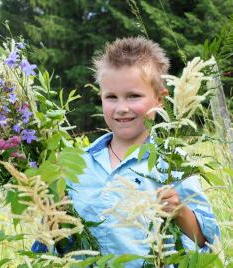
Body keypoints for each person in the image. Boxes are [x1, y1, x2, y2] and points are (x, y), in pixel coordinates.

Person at [32, 37, 220, 267]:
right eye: (111, 97)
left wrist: (179, 211)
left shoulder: (173, 162)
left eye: (133, 96)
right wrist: (52, 217)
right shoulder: (78, 164)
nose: (121, 108)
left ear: (160, 99)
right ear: (100, 97)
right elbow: (50, 246)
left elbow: (205, 239)